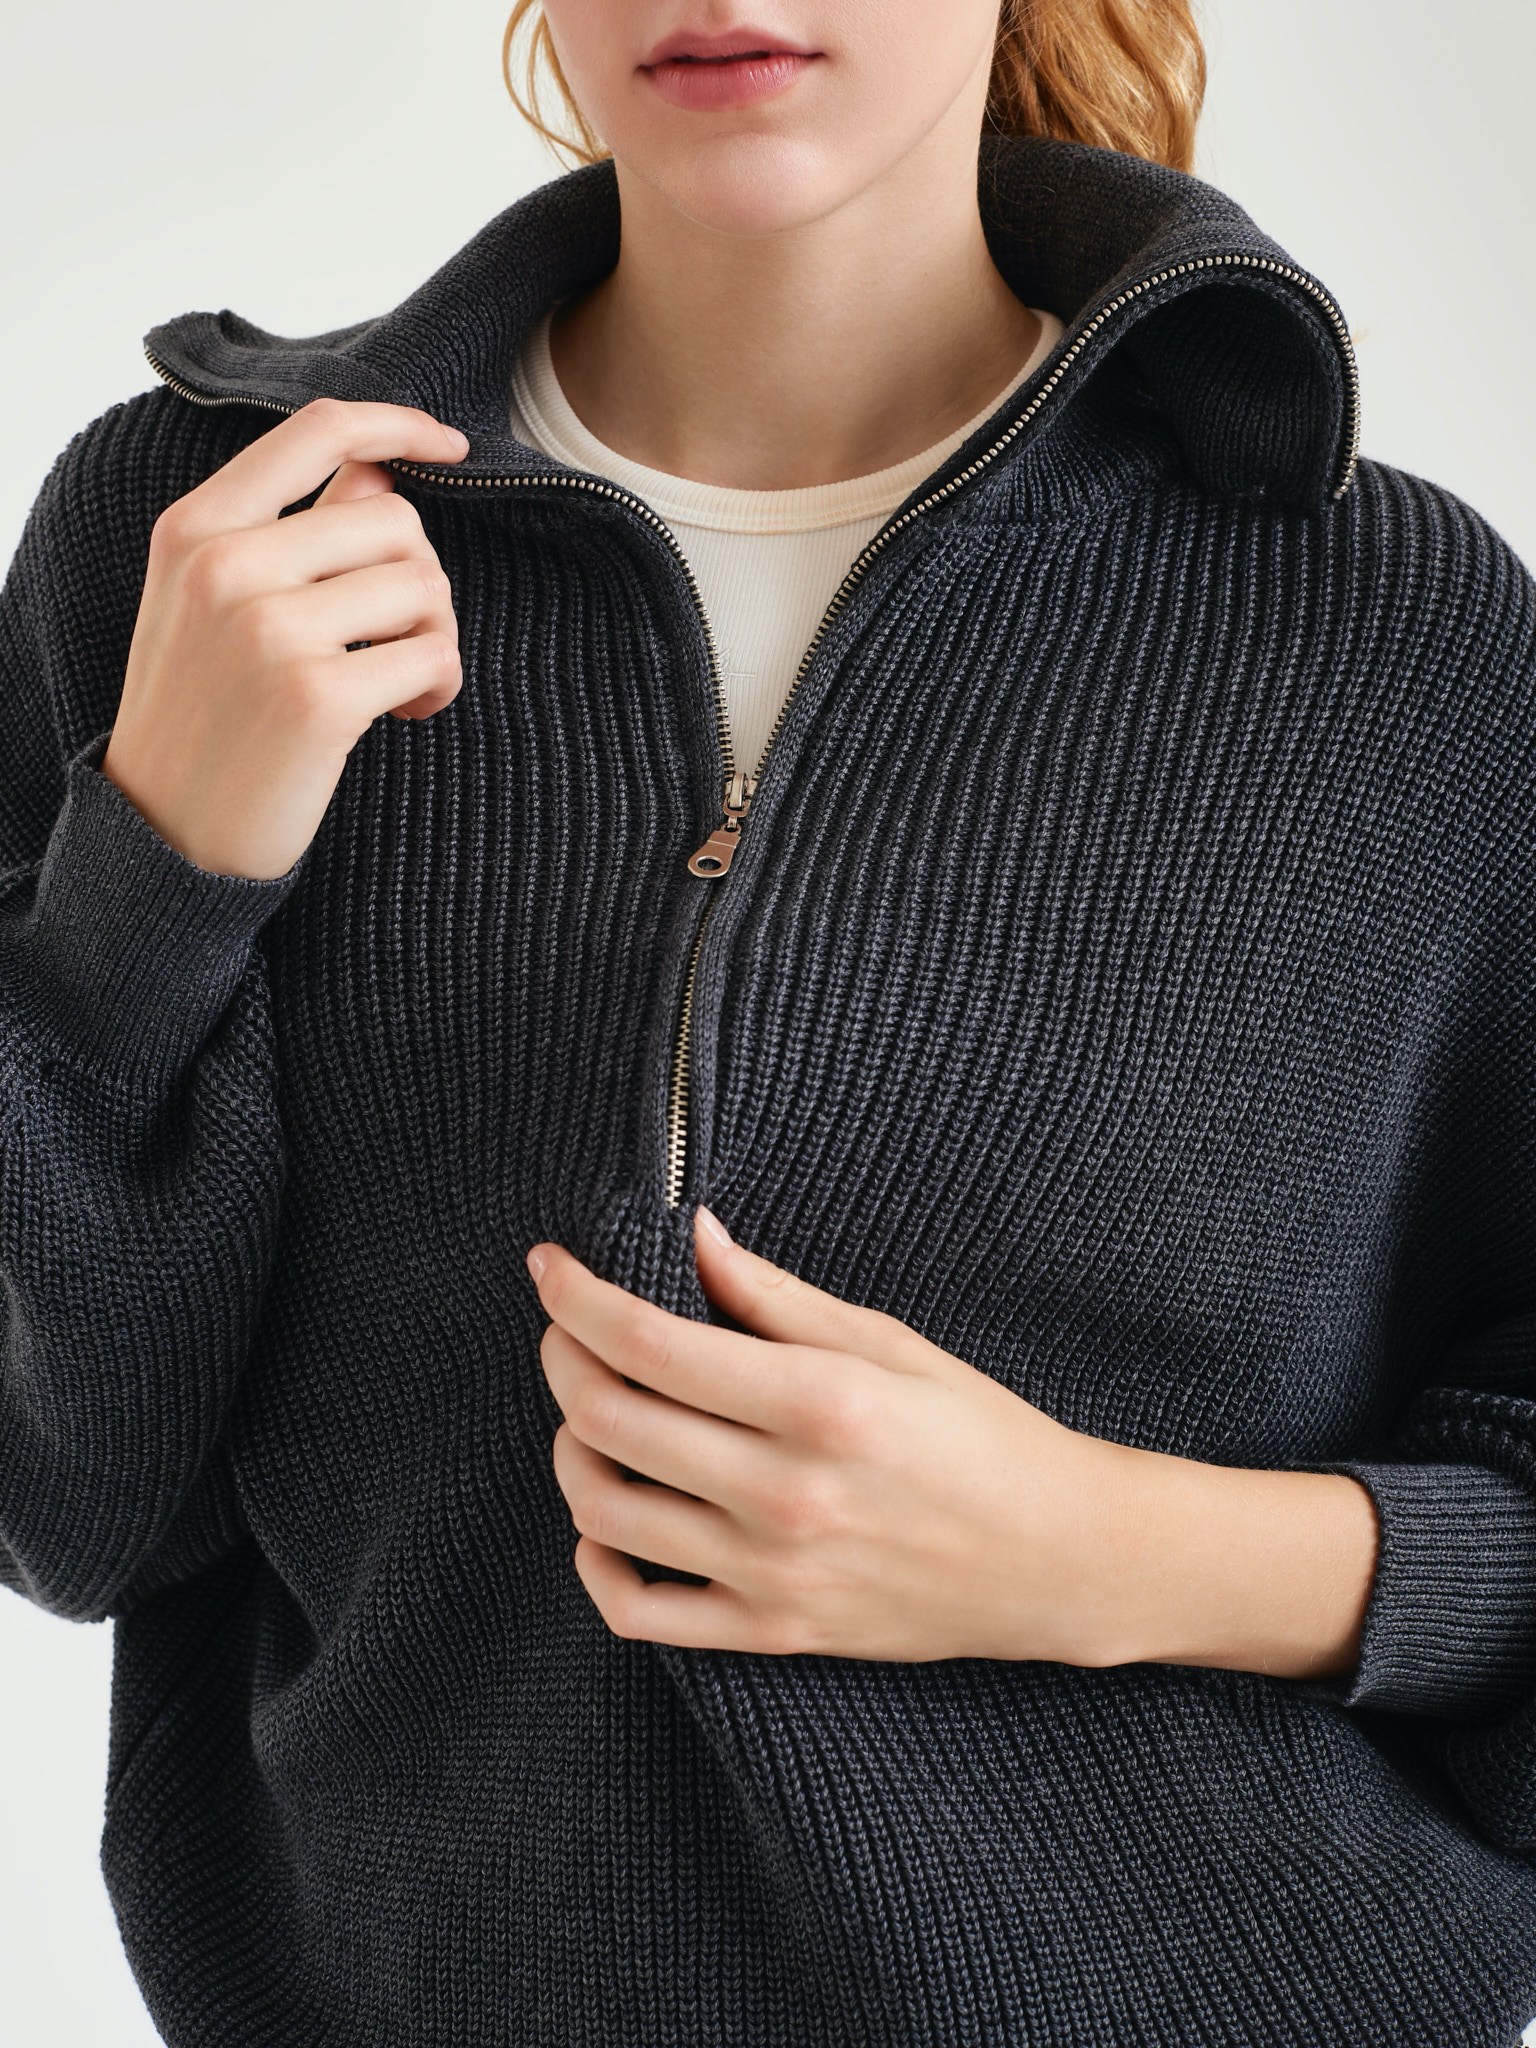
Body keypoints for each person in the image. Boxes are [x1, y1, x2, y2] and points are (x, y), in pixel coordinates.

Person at [3, 1, 1534, 2043]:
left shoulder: (1403, 641)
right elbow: (62, 1503)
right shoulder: (202, 552)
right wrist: (154, 870)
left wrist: (1113, 1554)